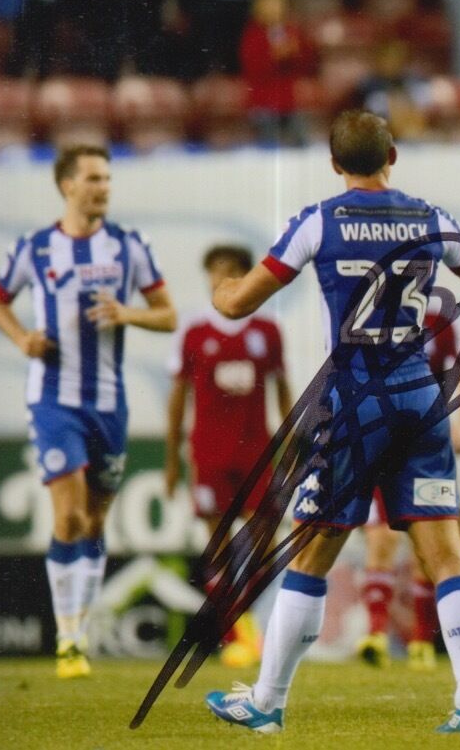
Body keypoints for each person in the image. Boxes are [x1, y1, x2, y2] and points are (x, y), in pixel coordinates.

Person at [203, 109, 460, 734]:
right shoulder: (429, 218)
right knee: (447, 557)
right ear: (392, 153)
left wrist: (220, 290)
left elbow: (237, 303)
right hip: (419, 395)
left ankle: (267, 701)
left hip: (353, 399)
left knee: (312, 554)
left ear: (334, 163)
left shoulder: (318, 221)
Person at [0, 144, 177, 678]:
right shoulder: (36, 249)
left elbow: (167, 316)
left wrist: (127, 313)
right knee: (69, 515)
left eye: (107, 178)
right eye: (93, 178)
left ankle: (81, 629)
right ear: (67, 185)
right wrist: (22, 338)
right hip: (53, 399)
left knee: (95, 521)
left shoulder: (128, 246)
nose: (103, 188)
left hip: (108, 403)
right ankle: (68, 638)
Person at [165, 244, 292, 669]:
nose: (220, 280)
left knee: (264, 540)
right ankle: (242, 634)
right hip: (210, 451)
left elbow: (282, 388)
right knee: (217, 546)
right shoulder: (195, 332)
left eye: (229, 271)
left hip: (257, 449)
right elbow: (178, 397)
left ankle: (252, 626)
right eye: (213, 271)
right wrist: (171, 460)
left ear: (243, 276)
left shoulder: (267, 332)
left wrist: (291, 442)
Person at [356, 310, 460, 672]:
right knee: (381, 540)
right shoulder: (370, 315)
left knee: (430, 548)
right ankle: (376, 633)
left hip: (426, 446)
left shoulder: (440, 322)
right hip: (380, 442)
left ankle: (422, 639)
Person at [239, 0, 316, 148]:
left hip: (289, 98)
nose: (274, 9)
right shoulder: (254, 34)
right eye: (269, 5)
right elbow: (252, 68)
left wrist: (295, 53)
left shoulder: (291, 31)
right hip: (263, 98)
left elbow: (306, 64)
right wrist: (274, 56)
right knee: (268, 142)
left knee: (301, 140)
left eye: (278, 5)